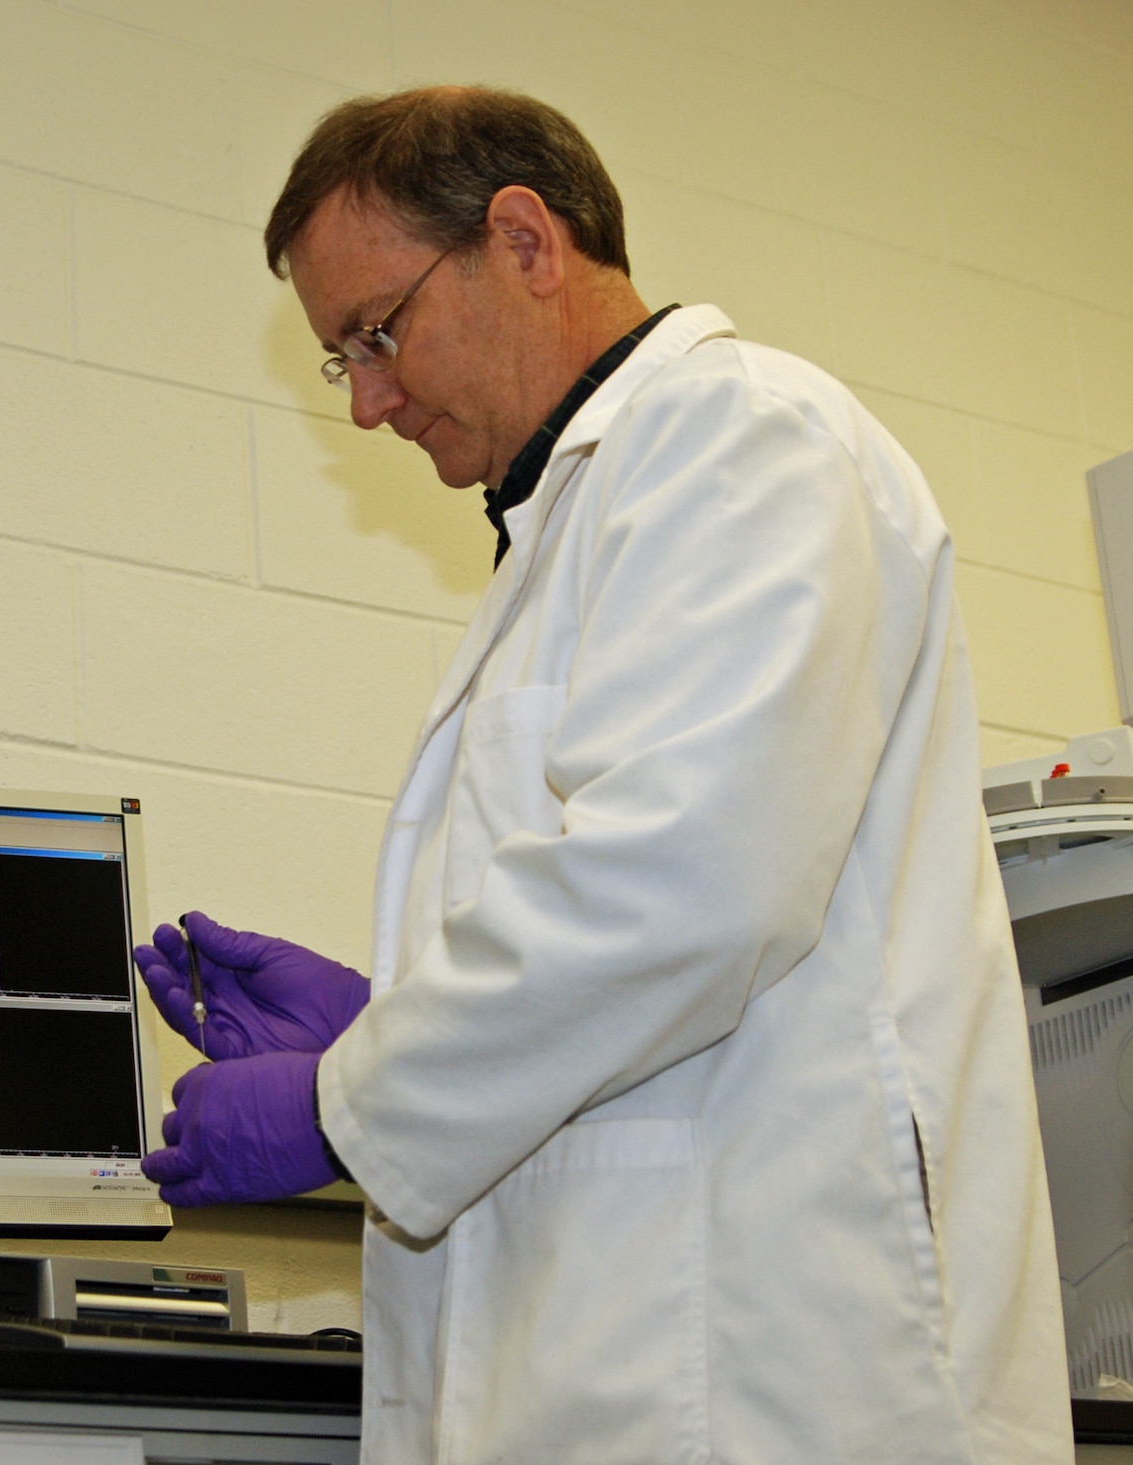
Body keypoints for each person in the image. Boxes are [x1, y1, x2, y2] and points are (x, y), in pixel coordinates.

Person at [137, 87, 1071, 1464]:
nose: (374, 399)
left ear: (523, 239)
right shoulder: (578, 521)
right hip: (638, 1371)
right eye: (345, 362)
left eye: (376, 333)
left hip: (774, 1382)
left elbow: (692, 880)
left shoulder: (744, 439)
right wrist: (381, 1027)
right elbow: (615, 941)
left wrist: (348, 1101)